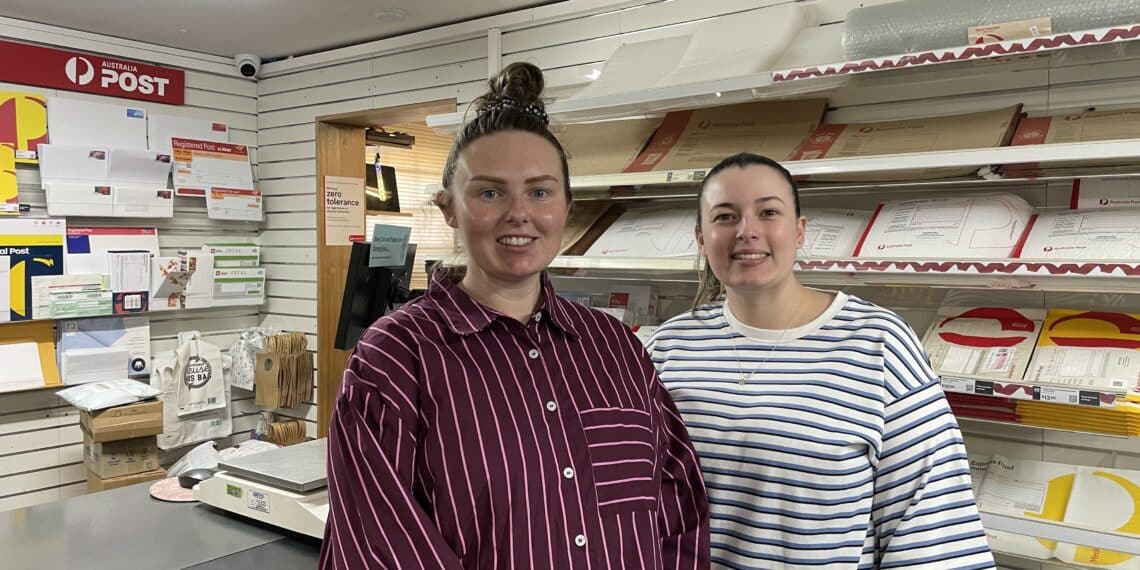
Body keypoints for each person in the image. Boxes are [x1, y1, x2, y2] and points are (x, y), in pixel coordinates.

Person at [320, 62, 710, 570]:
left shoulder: (617, 349)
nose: (518, 213)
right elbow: (379, 547)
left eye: (539, 192)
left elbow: (680, 509)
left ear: (566, 208)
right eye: (490, 192)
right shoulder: (396, 358)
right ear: (449, 209)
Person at [647, 153, 994, 569]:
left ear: (799, 231)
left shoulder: (878, 344)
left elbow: (928, 519)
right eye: (725, 217)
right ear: (702, 239)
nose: (747, 231)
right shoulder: (667, 347)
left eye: (768, 212)